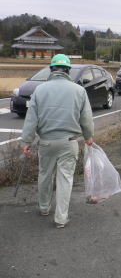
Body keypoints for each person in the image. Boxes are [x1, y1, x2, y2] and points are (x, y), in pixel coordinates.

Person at [21, 54, 94, 228]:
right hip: (69, 142)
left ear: (51, 69)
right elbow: (86, 119)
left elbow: (31, 119)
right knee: (65, 179)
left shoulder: (40, 90)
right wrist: (89, 137)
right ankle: (61, 218)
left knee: (45, 175)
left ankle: (44, 207)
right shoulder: (79, 90)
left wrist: (27, 141)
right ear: (68, 70)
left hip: (46, 142)